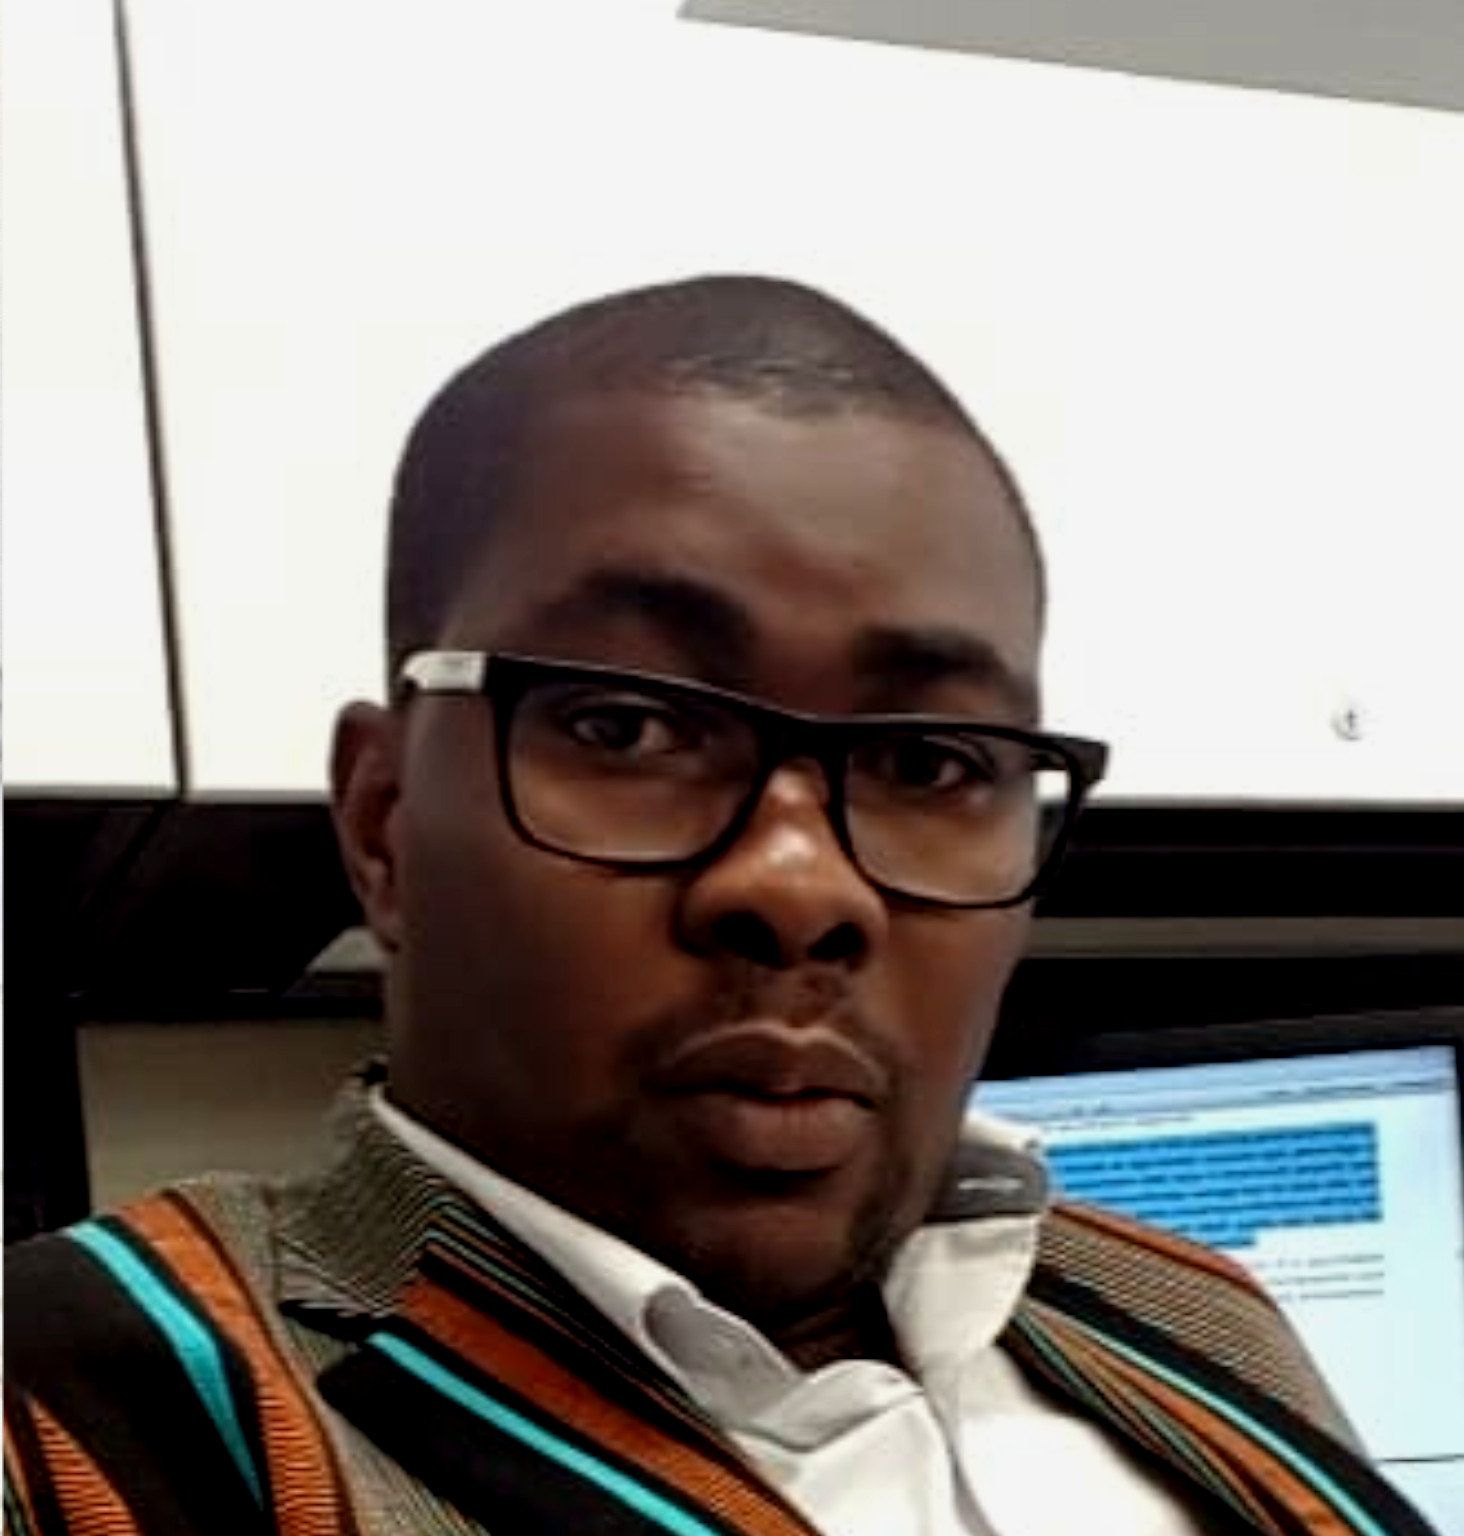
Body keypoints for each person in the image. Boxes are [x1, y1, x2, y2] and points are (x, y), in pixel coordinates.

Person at [5, 276, 1436, 1536]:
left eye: (931, 761)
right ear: (383, 826)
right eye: (629, 727)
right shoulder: (77, 1423)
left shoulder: (1195, 1318)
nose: (798, 886)